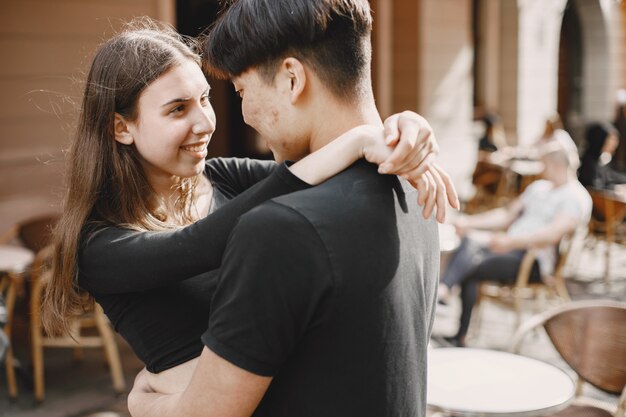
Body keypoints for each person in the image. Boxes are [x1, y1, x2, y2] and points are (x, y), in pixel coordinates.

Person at [42, 19, 457, 397]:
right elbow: (199, 245)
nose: (205, 122)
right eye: (177, 109)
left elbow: (316, 171)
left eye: (204, 99)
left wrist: (402, 129)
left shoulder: (221, 176)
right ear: (121, 127)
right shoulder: (98, 244)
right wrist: (356, 140)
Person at [128, 1, 440, 416]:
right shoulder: (418, 184)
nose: (243, 114)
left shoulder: (280, 230)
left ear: (292, 79)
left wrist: (147, 404)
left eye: (241, 92)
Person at [438, 141, 591, 347]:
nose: (540, 168)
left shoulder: (575, 197)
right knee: (469, 240)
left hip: (533, 260)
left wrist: (510, 242)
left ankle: (452, 313)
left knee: (470, 268)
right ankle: (446, 294)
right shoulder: (539, 187)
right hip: (510, 248)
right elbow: (506, 215)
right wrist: (469, 222)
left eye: (543, 163)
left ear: (556, 165)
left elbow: (552, 235)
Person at [578, 122, 626, 191]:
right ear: (600, 140)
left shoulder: (599, 160)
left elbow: (610, 176)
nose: (614, 145)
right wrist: (616, 188)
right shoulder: (588, 163)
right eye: (611, 140)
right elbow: (595, 187)